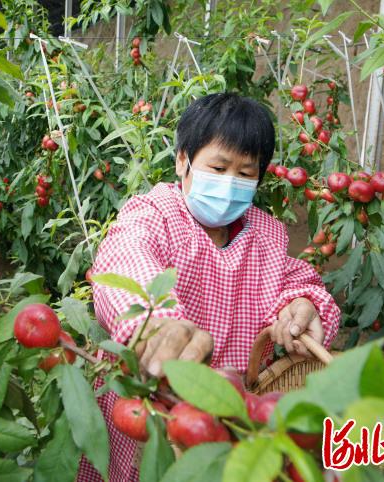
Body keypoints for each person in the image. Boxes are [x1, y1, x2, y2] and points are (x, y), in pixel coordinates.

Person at [77, 93, 341, 481]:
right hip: (155, 404)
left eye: (246, 173)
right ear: (183, 160)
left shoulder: (266, 235)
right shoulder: (156, 213)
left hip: (227, 417)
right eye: (218, 167)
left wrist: (303, 304)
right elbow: (126, 252)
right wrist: (156, 321)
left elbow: (296, 279)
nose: (230, 182)